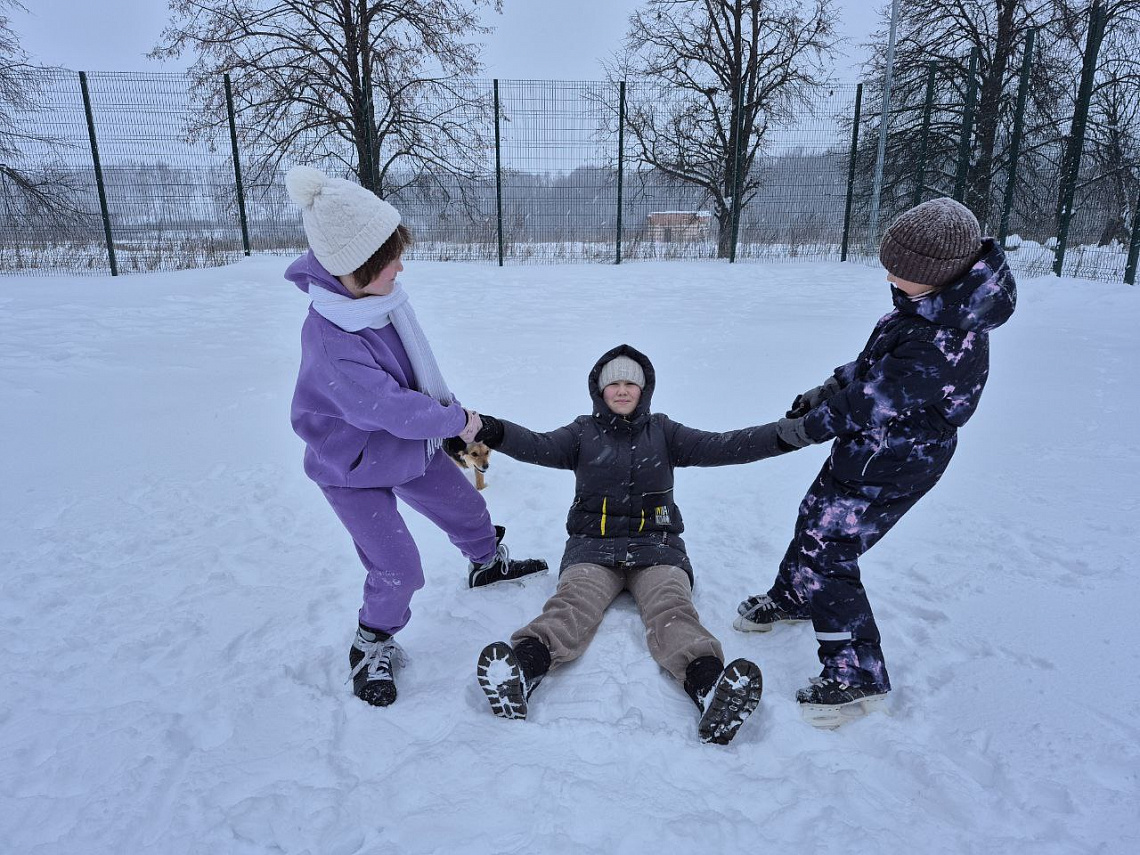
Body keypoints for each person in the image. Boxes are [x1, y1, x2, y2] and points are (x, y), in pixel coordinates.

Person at [734, 197, 1017, 728]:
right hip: (869, 451)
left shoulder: (946, 340)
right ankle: (796, 595)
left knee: (831, 552)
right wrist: (829, 386)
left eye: (900, 268)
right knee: (814, 520)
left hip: (897, 463)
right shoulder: (927, 304)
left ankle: (857, 676)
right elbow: (872, 368)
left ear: (937, 272)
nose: (888, 273)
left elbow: (873, 400)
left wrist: (806, 428)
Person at [283, 165, 546, 708]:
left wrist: (443, 419)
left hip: (406, 449)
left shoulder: (376, 301)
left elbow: (412, 384)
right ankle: (371, 642)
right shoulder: (334, 336)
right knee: (398, 569)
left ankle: (487, 565)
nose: (401, 266)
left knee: (470, 514)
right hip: (351, 469)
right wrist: (455, 421)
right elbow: (390, 406)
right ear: (351, 271)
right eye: (388, 261)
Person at [471, 344, 793, 744]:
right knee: (573, 603)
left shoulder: (665, 432)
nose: (622, 391)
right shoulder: (581, 434)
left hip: (657, 548)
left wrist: (784, 435)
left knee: (672, 607)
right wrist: (490, 428)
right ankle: (521, 670)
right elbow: (535, 444)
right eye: (614, 384)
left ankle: (710, 689)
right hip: (593, 548)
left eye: (630, 383)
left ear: (644, 389)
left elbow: (723, 445)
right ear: (599, 390)